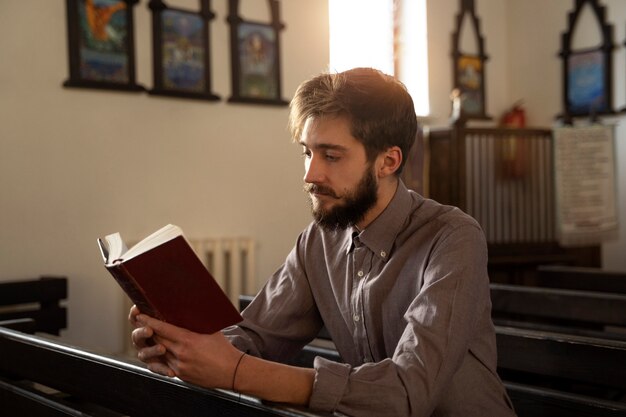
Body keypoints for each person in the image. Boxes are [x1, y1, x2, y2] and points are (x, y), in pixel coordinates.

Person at [130, 67, 517, 416]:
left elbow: (406, 391)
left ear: (389, 161)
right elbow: (254, 338)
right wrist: (179, 346)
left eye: (331, 156)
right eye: (307, 152)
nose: (311, 174)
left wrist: (235, 370)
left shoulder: (453, 237)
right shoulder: (319, 240)